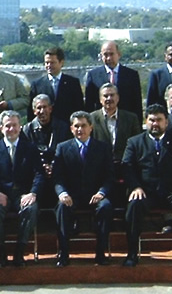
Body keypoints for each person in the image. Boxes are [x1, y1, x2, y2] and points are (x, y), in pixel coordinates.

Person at [122, 104, 172, 267]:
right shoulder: (134, 142)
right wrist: (135, 187)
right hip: (145, 191)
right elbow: (127, 168)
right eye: (152, 120)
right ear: (146, 121)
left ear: (166, 122)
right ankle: (132, 253)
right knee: (134, 205)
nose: (155, 124)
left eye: (159, 120)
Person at [0, 111, 44, 267]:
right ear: (1, 128)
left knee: (31, 208)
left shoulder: (30, 149)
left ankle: (19, 252)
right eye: (7, 126)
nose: (11, 129)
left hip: (23, 195)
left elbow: (39, 174)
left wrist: (32, 193)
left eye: (14, 125)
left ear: (20, 127)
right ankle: (0, 252)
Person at [52, 111, 114, 267]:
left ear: (91, 127)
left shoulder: (103, 148)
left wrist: (102, 192)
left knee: (106, 207)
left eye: (84, 126)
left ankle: (101, 254)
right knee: (61, 208)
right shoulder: (62, 148)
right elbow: (58, 178)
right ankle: (64, 254)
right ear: (72, 129)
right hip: (72, 196)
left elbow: (109, 177)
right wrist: (62, 193)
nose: (80, 129)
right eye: (76, 126)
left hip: (96, 195)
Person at [85, 41, 142, 124]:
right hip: (101, 124)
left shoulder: (131, 75)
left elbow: (137, 103)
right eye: (105, 55)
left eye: (111, 54)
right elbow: (89, 105)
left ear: (119, 54)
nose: (108, 58)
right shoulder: (93, 75)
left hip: (126, 123)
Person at [21, 94, 71, 184]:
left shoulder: (63, 127)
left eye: (45, 107)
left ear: (50, 109)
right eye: (39, 108)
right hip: (36, 173)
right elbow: (27, 155)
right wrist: (42, 165)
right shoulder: (27, 130)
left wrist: (53, 165)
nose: (42, 111)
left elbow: (66, 153)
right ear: (34, 111)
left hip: (59, 171)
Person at [27, 46, 84, 123]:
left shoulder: (73, 83)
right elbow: (31, 111)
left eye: (52, 62)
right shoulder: (37, 85)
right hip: (44, 129)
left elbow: (79, 108)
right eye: (47, 63)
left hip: (67, 128)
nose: (49, 65)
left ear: (61, 63)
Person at [90, 83, 142, 162]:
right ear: (100, 99)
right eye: (105, 96)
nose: (109, 98)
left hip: (125, 164)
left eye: (112, 95)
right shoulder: (91, 118)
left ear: (118, 98)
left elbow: (137, 143)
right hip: (101, 166)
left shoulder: (131, 118)